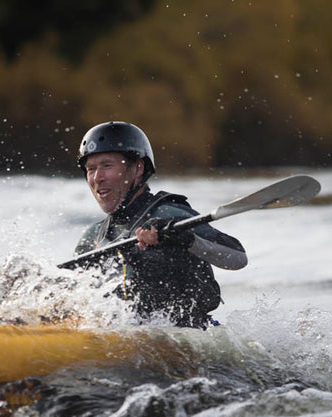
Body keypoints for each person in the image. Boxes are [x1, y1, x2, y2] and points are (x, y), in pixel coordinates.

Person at [74, 121, 247, 328]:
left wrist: (185, 239)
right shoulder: (94, 237)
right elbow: (75, 297)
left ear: (138, 168)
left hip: (189, 339)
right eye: (90, 169)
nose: (97, 178)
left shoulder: (169, 213)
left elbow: (237, 258)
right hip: (127, 343)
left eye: (107, 166)